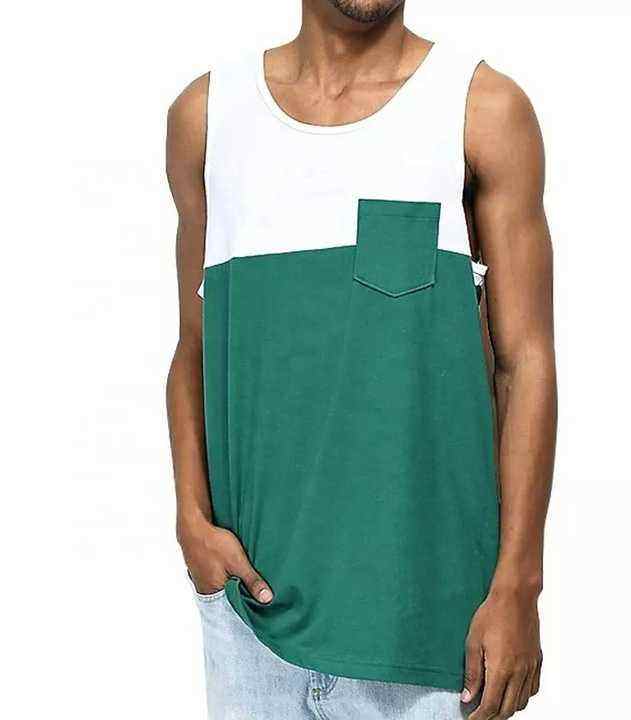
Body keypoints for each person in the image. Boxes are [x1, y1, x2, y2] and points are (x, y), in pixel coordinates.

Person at [165, 1, 556, 718]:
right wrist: (191, 519)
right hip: (250, 625)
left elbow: (524, 361)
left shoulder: (481, 108)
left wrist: (517, 586)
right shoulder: (208, 118)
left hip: (430, 627)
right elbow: (194, 343)